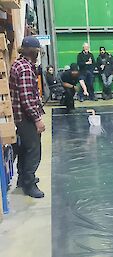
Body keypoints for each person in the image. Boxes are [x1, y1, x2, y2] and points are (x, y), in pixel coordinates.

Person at [9, 36, 45, 198]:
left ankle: (23, 179)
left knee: (24, 149)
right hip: (26, 118)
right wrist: (37, 119)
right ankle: (29, 184)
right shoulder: (25, 69)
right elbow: (27, 98)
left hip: (19, 117)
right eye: (38, 52)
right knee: (33, 150)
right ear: (33, 52)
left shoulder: (18, 64)